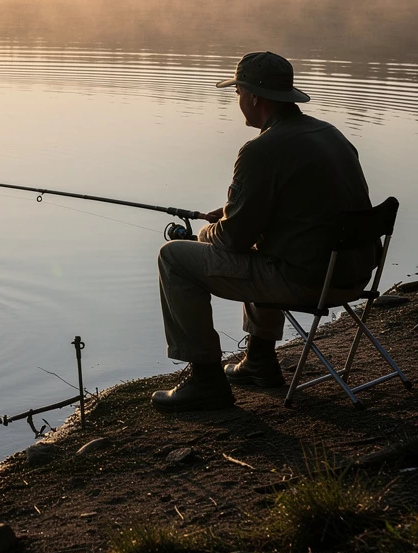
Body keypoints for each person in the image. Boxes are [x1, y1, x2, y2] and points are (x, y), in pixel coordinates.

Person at [151, 51, 377, 412]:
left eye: (238, 92)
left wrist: (203, 234)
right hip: (354, 275)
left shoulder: (261, 150)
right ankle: (259, 360)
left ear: (254, 97)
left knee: (173, 258)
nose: (237, 100)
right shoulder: (329, 134)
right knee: (265, 243)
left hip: (309, 282)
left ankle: (206, 381)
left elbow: (233, 240)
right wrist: (233, 213)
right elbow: (303, 208)